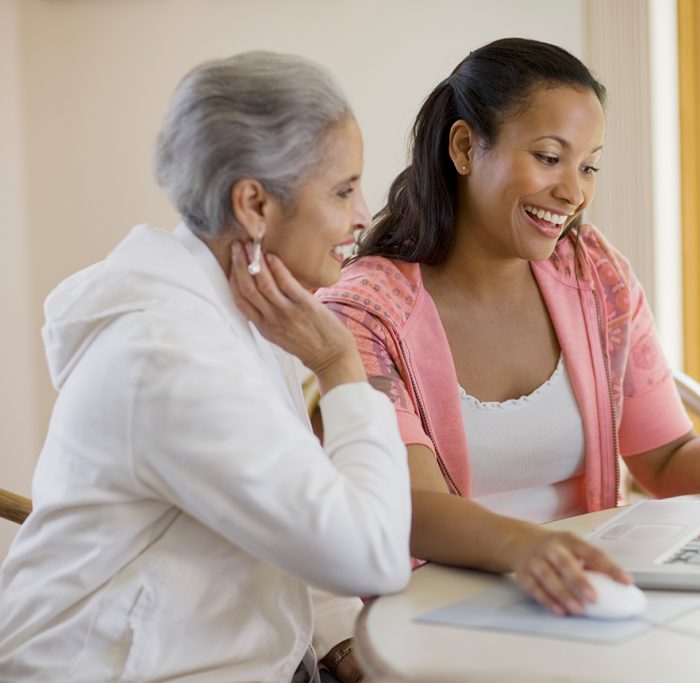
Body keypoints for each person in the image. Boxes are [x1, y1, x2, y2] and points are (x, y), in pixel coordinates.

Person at [317, 37, 700, 618]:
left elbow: (667, 462)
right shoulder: (369, 311)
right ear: (466, 147)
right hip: (438, 615)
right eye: (549, 157)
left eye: (588, 165)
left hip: (588, 601)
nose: (574, 192)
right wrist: (533, 545)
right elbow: (408, 507)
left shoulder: (594, 273)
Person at [0, 52, 409, 683]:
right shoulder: (169, 355)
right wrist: (340, 364)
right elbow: (370, 556)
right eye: (342, 189)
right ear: (253, 203)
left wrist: (334, 638)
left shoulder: (239, 311)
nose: (363, 214)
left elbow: (296, 508)